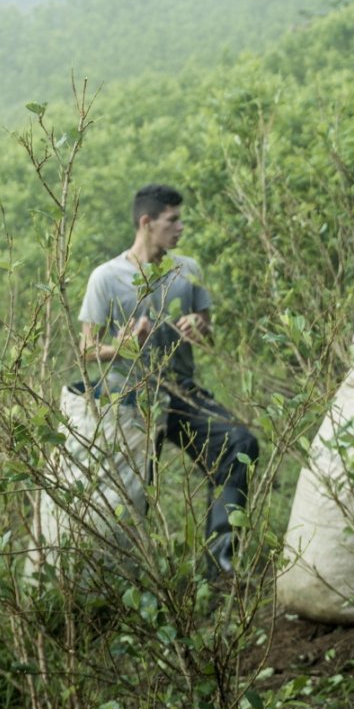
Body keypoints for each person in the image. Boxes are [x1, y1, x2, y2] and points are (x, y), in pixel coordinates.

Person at [78, 184, 259, 576]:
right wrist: (121, 346)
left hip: (181, 394)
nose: (180, 227)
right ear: (147, 222)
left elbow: (207, 328)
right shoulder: (106, 278)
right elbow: (87, 349)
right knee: (131, 494)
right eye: (172, 220)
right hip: (130, 403)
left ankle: (220, 566)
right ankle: (133, 581)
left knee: (240, 444)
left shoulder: (188, 269)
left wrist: (200, 325)